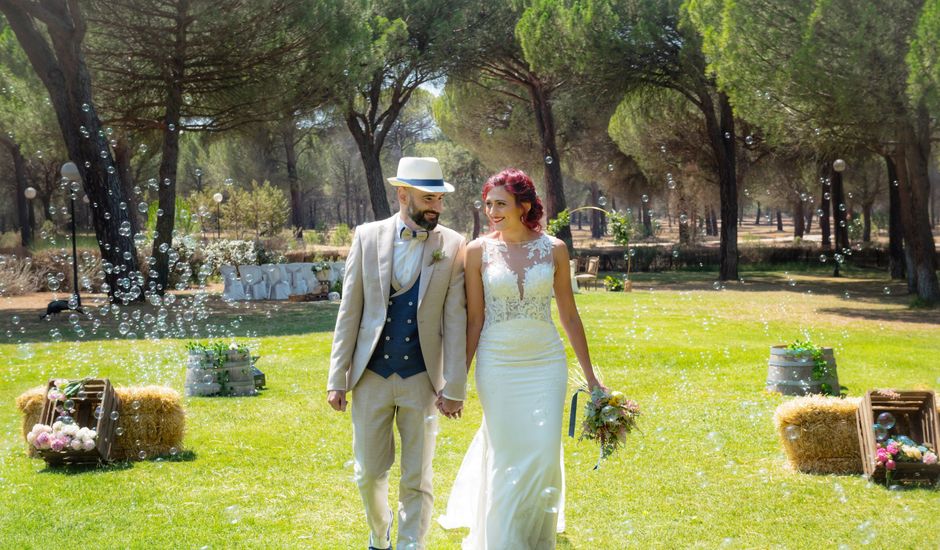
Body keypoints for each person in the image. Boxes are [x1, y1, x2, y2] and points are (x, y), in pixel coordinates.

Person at [438, 168, 603, 549]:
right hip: (498, 365)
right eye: (488, 204)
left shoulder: (554, 249)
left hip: (546, 365)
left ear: (523, 205)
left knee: (543, 454)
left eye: (500, 203)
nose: (492, 211)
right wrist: (456, 383)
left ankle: (534, 536)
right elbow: (475, 319)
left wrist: (591, 377)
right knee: (507, 452)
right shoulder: (477, 251)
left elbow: (569, 315)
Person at [327, 157, 468, 550]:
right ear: (402, 194)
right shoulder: (366, 236)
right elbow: (349, 311)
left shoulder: (453, 245)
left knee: (417, 477)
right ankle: (379, 534)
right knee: (368, 474)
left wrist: (454, 384)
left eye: (440, 199)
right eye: (428, 198)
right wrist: (337, 378)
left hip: (423, 381)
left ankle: (410, 545)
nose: (435, 208)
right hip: (370, 376)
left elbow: (455, 320)